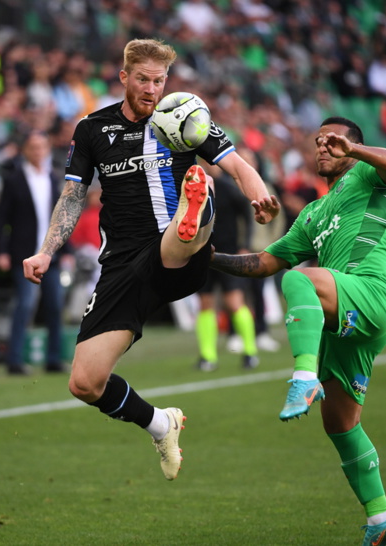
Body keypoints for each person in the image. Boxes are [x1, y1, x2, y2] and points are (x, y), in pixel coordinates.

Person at [22, 38, 279, 480]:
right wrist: (46, 252)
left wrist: (260, 195)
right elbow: (72, 196)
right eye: (143, 79)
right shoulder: (92, 129)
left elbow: (236, 165)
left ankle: (196, 211)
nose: (152, 89)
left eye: (159, 81)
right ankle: (162, 424)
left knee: (196, 196)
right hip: (124, 267)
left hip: (181, 255)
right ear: (124, 77)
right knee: (85, 382)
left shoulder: (185, 118)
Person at [211, 117, 386, 544]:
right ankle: (381, 517)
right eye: (319, 142)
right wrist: (206, 258)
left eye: (333, 141)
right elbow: (264, 263)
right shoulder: (313, 214)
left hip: (371, 294)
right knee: (340, 422)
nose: (323, 147)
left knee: (300, 279)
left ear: (353, 146)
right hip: (344, 320)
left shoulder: (369, 174)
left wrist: (353, 151)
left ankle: (302, 377)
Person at [0, 131, 68, 375]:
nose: (38, 152)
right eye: (33, 147)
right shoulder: (14, 179)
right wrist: (2, 252)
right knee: (24, 306)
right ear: (25, 150)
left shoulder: (53, 177)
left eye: (41, 147)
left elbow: (61, 218)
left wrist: (65, 248)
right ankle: (14, 360)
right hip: (24, 254)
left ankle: (53, 359)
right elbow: (1, 219)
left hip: (50, 255)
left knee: (55, 306)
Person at [194, 161, 259, 372]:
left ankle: (250, 352)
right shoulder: (194, 188)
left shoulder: (228, 189)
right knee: (205, 304)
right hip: (201, 254)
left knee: (234, 302)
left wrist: (244, 245)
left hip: (228, 254)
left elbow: (247, 216)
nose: (206, 163)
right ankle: (207, 356)